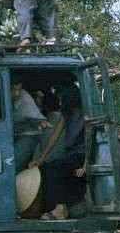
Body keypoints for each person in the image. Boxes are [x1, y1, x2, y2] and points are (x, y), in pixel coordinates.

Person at [33, 85, 85, 220]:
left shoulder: (85, 114)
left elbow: (91, 140)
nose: (60, 103)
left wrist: (85, 166)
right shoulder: (66, 113)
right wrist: (42, 158)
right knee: (47, 167)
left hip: (82, 155)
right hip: (71, 154)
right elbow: (54, 137)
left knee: (56, 168)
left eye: (62, 100)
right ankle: (56, 207)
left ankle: (60, 208)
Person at [12, 75, 50, 176]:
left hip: (29, 134)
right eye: (14, 90)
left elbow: (37, 118)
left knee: (13, 162)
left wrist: (42, 123)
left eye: (19, 89)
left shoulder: (25, 98)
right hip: (13, 132)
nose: (17, 93)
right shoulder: (0, 94)